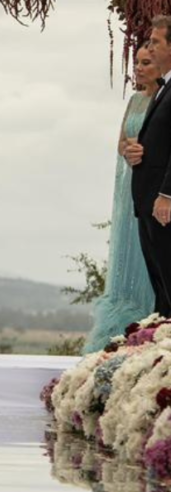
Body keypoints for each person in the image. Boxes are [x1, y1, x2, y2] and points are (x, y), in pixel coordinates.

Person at [84, 45, 158, 352]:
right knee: (127, 252)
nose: (138, 68)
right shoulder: (135, 100)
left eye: (146, 62)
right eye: (136, 62)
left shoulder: (164, 99)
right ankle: (117, 329)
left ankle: (148, 321)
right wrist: (129, 149)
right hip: (129, 187)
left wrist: (145, 150)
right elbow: (121, 143)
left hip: (152, 185)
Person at [133, 15, 171, 317]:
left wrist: (167, 194)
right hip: (148, 201)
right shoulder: (163, 87)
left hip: (163, 203)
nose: (150, 47)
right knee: (161, 285)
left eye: (156, 42)